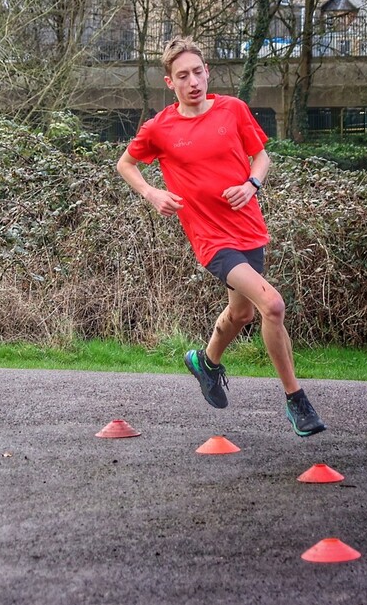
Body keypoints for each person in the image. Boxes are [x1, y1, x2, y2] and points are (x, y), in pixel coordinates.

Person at [115, 36, 325, 437]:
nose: (193, 81)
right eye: (183, 76)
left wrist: (252, 184)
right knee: (272, 305)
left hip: (249, 228)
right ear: (169, 82)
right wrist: (151, 192)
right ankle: (296, 400)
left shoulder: (233, 109)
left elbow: (261, 155)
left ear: (207, 72)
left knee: (243, 314)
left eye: (198, 72)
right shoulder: (160, 128)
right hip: (210, 238)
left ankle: (206, 363)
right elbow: (125, 164)